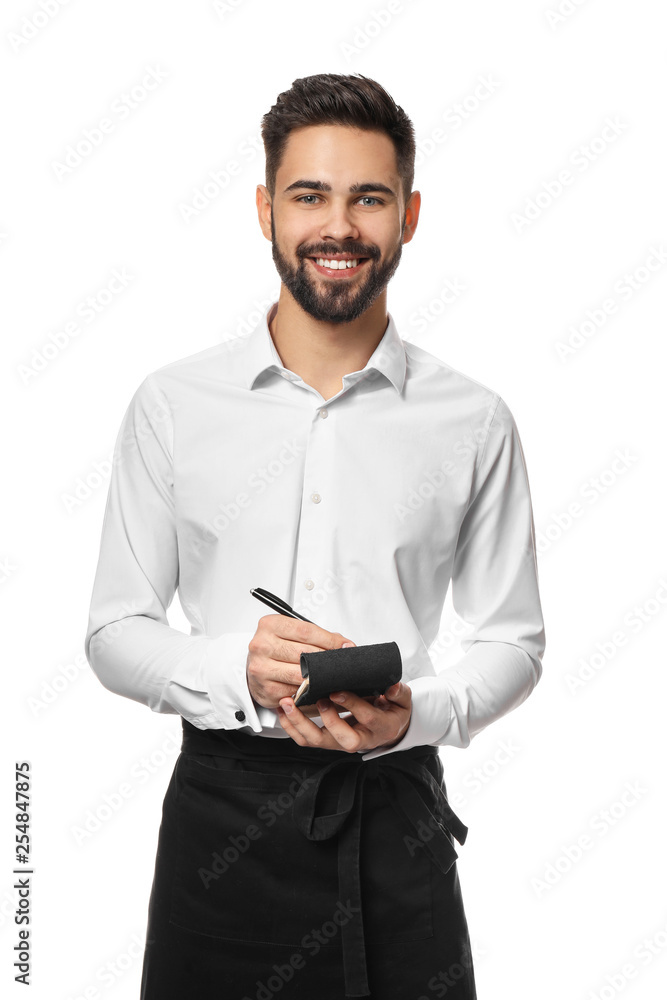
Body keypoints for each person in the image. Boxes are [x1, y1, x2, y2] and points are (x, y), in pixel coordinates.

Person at [84, 72, 546, 999]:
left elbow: (513, 641)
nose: (339, 226)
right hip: (221, 822)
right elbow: (112, 631)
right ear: (266, 209)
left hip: (396, 814)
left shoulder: (474, 419)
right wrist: (233, 670)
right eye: (310, 196)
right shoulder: (173, 405)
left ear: (408, 215)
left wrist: (416, 713)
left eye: (368, 197)